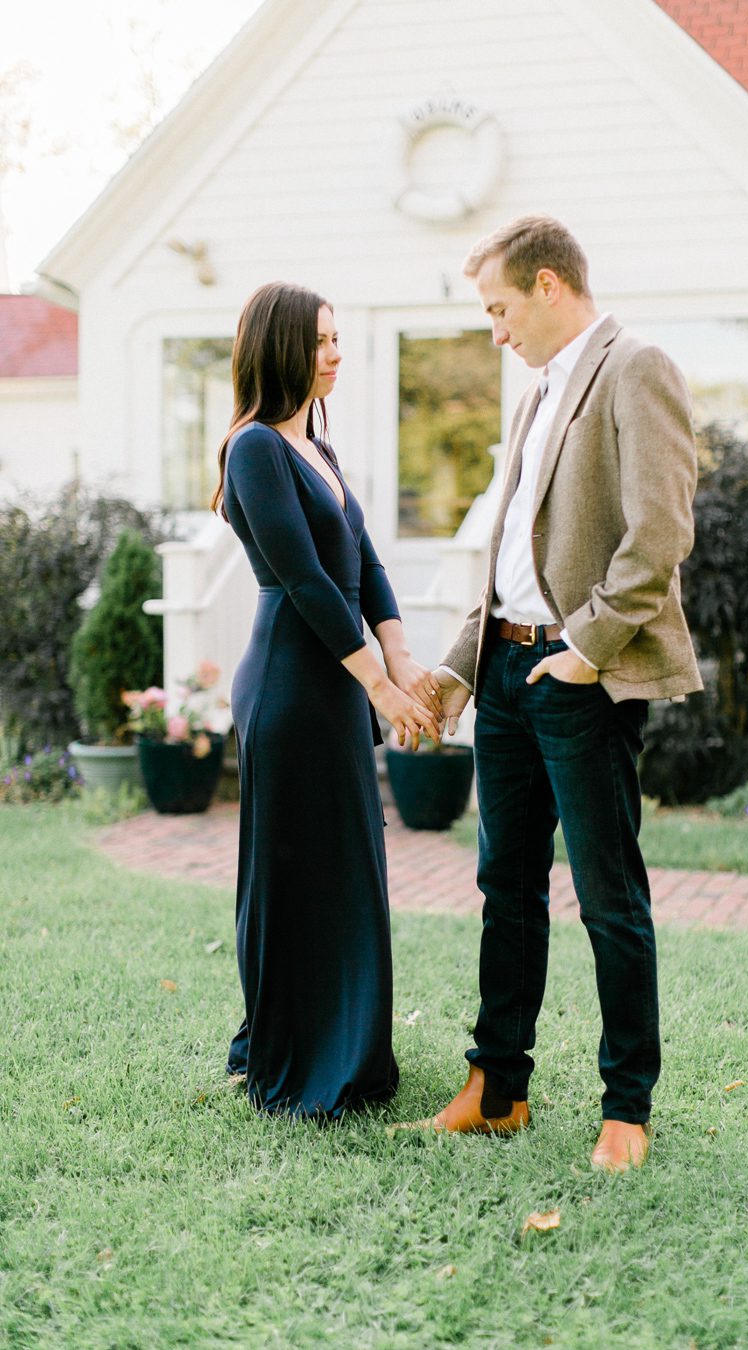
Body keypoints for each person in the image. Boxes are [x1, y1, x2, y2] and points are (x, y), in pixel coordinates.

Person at [416, 216, 703, 1170]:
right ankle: (499, 1088)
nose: (494, 330)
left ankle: (628, 1107)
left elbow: (658, 535)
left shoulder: (636, 367)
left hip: (582, 676)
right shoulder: (537, 395)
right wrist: (461, 665)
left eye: (499, 308)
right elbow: (510, 558)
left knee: (609, 897)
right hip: (505, 672)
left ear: (548, 285)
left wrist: (584, 649)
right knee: (506, 886)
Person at [211, 281, 441, 1119]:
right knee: (295, 872)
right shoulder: (254, 450)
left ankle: (353, 1049)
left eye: (338, 339)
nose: (336, 353)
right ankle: (293, 1055)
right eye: (320, 341)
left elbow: (365, 561)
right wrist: (376, 683)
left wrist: (403, 660)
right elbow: (306, 580)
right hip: (291, 685)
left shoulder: (320, 447)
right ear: (279, 348)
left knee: (349, 871)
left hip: (340, 685)